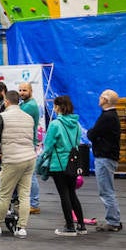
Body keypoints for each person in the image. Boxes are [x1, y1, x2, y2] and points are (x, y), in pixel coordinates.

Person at [0, 89, 36, 237]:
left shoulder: (3, 116)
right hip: (30, 158)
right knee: (24, 195)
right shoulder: (28, 117)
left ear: (6, 102)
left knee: (5, 194)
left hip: (12, 159)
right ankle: (21, 228)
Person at [43, 95, 87, 236]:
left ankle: (69, 226)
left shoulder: (55, 124)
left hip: (59, 163)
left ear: (57, 107)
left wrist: (42, 159)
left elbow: (48, 146)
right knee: (72, 193)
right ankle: (81, 225)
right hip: (73, 163)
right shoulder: (76, 124)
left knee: (64, 194)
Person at [86, 89, 124, 231]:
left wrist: (91, 133)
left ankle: (113, 221)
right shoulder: (110, 116)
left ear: (106, 100)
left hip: (105, 156)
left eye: (101, 97)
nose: (99, 98)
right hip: (108, 156)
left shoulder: (107, 117)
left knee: (106, 190)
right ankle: (114, 219)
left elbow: (93, 133)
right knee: (107, 189)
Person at [18, 82, 44, 212]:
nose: (22, 92)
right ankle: (31, 202)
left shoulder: (30, 106)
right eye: (20, 90)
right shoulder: (24, 104)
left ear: (31, 91)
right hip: (25, 142)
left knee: (30, 175)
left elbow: (16, 117)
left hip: (28, 143)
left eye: (24, 90)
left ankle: (34, 204)